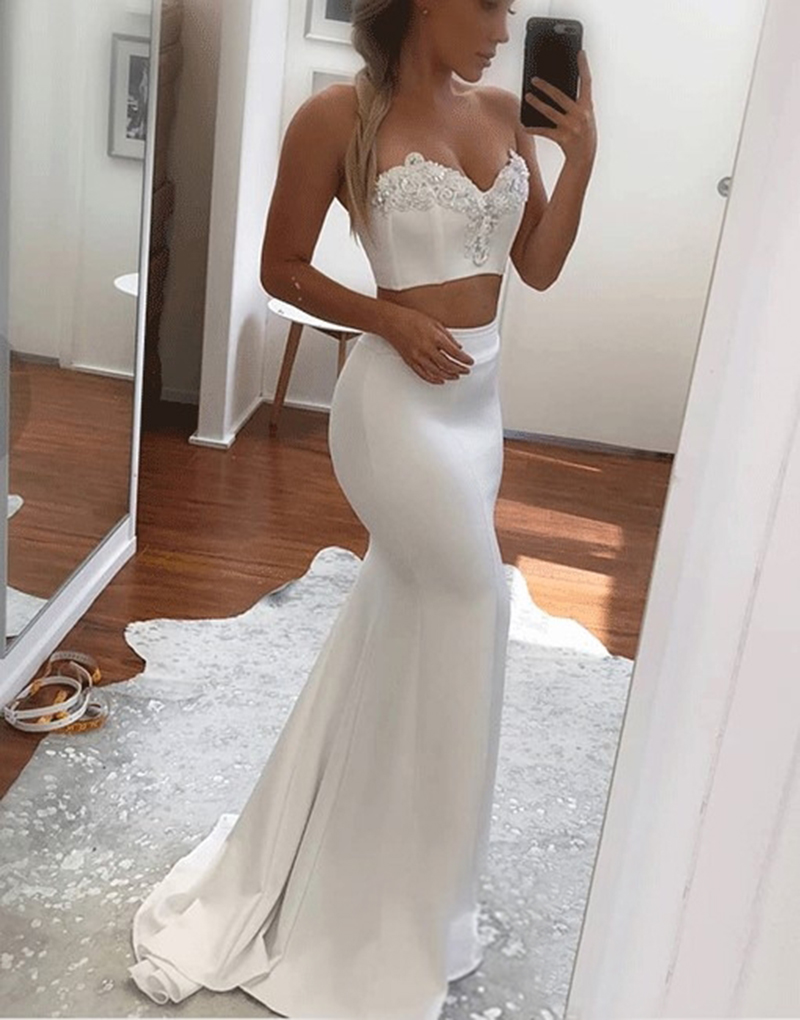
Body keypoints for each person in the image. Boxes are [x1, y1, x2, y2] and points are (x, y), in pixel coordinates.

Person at [128, 1, 596, 1017]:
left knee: (407, 616)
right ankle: (400, 907)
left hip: (475, 404)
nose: (502, 26)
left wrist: (582, 155)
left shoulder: (505, 113)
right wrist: (386, 317)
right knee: (473, 606)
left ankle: (397, 871)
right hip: (395, 406)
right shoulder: (337, 117)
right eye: (487, 3)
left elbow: (538, 267)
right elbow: (280, 267)